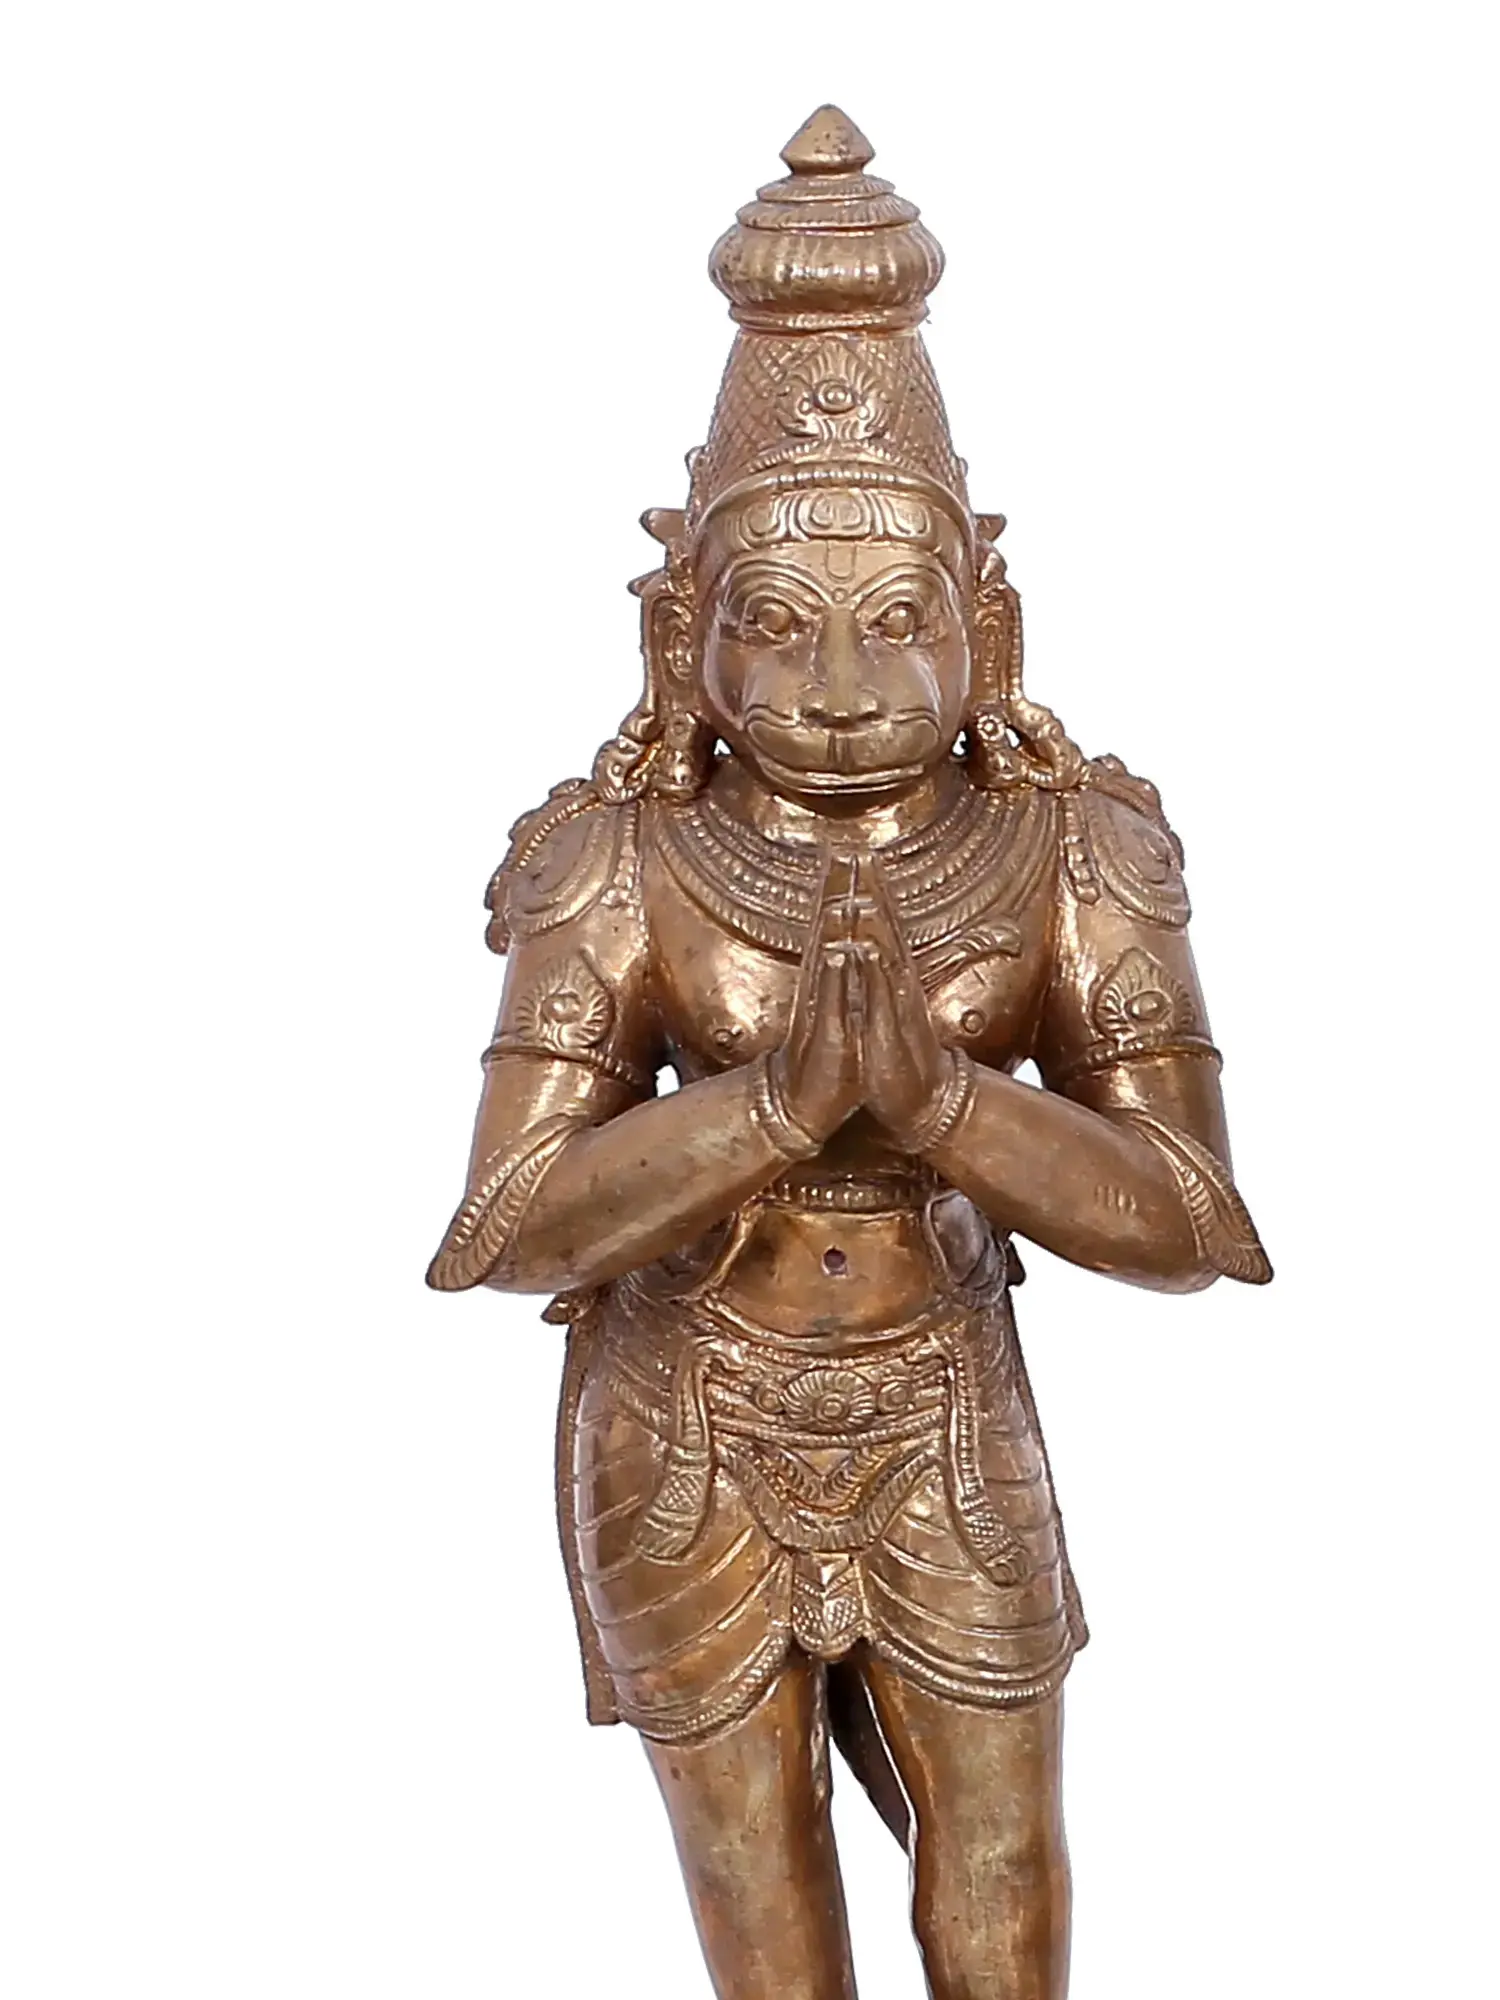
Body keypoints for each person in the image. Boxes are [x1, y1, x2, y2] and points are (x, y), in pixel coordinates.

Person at [428, 105, 1269, 2000]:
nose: (834, 690)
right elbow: (507, 1226)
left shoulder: (1074, 850)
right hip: (691, 1423)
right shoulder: (622, 862)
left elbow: (1193, 1220)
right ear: (682, 644)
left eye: (898, 624)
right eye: (773, 628)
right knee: (764, 1910)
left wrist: (947, 1105)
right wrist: (775, 1110)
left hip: (947, 1402)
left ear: (991, 625)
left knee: (1005, 1880)